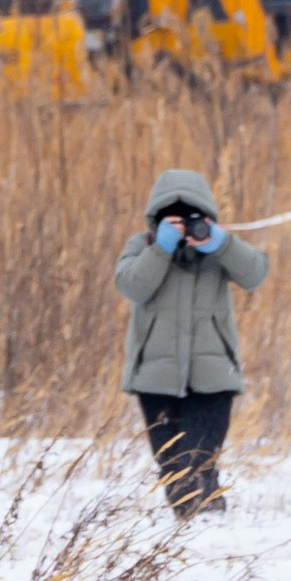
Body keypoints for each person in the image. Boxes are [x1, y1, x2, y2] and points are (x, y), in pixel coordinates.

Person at [115, 169, 269, 519]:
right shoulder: (143, 247)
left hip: (212, 376)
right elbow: (133, 286)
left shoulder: (219, 250)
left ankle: (207, 523)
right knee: (174, 470)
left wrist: (221, 243)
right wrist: (163, 248)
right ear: (157, 218)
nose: (185, 224)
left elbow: (256, 274)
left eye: (192, 216)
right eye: (174, 216)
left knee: (199, 461)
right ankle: (196, 528)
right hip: (156, 378)